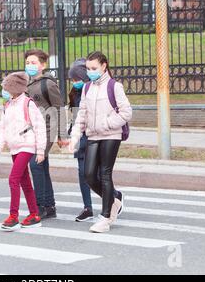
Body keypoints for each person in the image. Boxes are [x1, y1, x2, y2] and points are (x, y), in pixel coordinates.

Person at [69, 52, 132, 233]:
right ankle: (113, 199)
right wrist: (75, 136)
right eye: (88, 69)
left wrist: (107, 124)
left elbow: (126, 112)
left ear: (104, 66)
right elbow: (81, 114)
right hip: (93, 135)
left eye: (94, 68)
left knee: (105, 174)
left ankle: (105, 217)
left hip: (111, 135)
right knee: (89, 175)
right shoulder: (88, 88)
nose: (90, 72)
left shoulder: (114, 86)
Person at [0, 72, 47, 231]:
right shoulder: (7, 105)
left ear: (15, 88)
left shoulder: (28, 104)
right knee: (25, 182)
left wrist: (41, 150)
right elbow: (3, 129)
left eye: (7, 88)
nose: (4, 91)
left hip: (27, 145)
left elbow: (39, 126)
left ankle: (13, 217)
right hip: (14, 147)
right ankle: (34, 215)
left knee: (13, 179)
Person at [24, 49, 69, 219]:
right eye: (28, 62)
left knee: (36, 164)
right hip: (33, 130)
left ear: (43, 65)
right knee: (42, 167)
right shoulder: (27, 84)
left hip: (48, 129)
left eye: (33, 62)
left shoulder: (48, 84)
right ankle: (49, 206)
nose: (30, 65)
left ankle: (40, 205)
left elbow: (59, 108)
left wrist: (62, 135)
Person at [68, 58, 94, 222]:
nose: (74, 82)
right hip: (80, 138)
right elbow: (74, 116)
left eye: (77, 79)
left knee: (95, 174)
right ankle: (87, 207)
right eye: (73, 80)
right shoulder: (75, 93)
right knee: (82, 173)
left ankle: (114, 198)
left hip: (93, 137)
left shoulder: (94, 92)